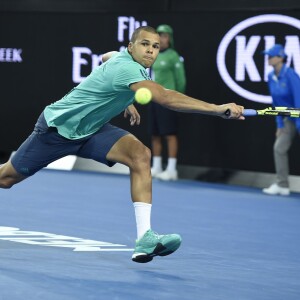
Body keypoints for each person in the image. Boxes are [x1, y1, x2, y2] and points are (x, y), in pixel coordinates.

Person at [0, 26, 244, 263]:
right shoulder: (127, 69)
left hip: (92, 129)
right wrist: (217, 109)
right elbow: (166, 98)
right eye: (144, 44)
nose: (150, 51)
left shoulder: (124, 60)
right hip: (57, 129)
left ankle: (145, 238)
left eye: (155, 46)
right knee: (6, 178)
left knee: (140, 155)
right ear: (131, 46)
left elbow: (107, 55)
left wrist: (125, 99)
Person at [262, 44, 300, 196]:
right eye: (267, 56)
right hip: (287, 120)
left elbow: (299, 100)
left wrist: (298, 123)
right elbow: (275, 102)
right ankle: (282, 185)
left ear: (280, 58)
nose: (268, 59)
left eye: (270, 56)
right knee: (279, 148)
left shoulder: (291, 74)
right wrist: (279, 124)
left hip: (298, 116)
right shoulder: (270, 76)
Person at [150, 24, 186, 181]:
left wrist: (178, 99)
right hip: (153, 99)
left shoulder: (173, 56)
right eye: (159, 35)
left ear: (170, 39)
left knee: (170, 134)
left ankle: (172, 170)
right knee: (155, 134)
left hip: (168, 101)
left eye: (164, 35)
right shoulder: (152, 54)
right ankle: (156, 167)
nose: (161, 38)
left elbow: (181, 80)